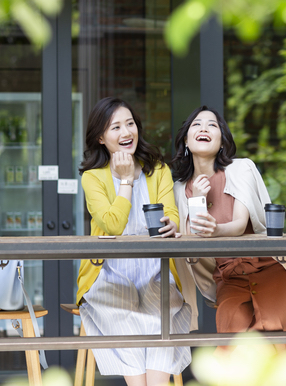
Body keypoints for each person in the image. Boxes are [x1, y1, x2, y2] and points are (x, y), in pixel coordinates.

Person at [77, 97, 191, 386]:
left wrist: (172, 224)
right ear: (101, 138)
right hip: (109, 275)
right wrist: (126, 180)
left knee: (160, 318)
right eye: (115, 127)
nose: (126, 132)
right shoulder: (93, 178)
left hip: (155, 272)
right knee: (126, 319)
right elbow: (113, 224)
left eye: (130, 124)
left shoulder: (158, 170)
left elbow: (172, 213)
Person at [170, 106, 286, 343]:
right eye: (197, 124)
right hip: (230, 277)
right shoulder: (180, 190)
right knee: (231, 332)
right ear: (186, 141)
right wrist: (197, 201)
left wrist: (216, 230)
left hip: (270, 266)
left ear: (222, 141)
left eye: (212, 125)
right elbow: (194, 241)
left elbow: (239, 224)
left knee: (270, 327)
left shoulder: (241, 168)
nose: (204, 127)